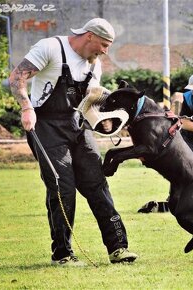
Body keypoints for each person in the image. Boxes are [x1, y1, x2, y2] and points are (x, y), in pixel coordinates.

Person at [9, 18, 138, 266]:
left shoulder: (94, 65)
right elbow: (17, 77)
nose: (104, 51)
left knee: (97, 184)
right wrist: (26, 107)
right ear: (89, 36)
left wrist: (104, 121)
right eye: (103, 44)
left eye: (108, 47)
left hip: (77, 125)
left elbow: (87, 103)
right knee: (62, 187)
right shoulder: (50, 47)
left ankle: (118, 248)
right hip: (45, 125)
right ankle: (63, 253)